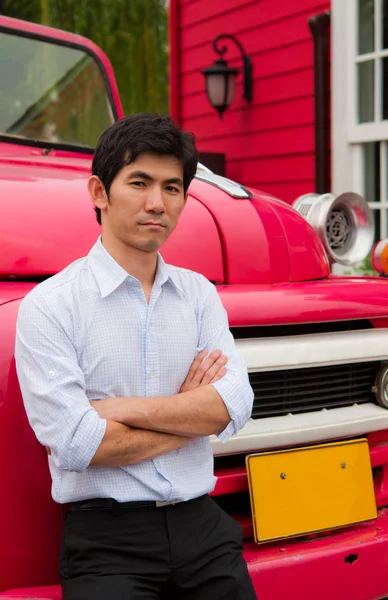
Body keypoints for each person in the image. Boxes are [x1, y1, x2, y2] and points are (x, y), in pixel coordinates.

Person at [15, 113, 257, 600]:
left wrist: (119, 411)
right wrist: (190, 412)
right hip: (107, 542)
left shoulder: (198, 295)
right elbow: (80, 444)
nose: (156, 203)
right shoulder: (50, 304)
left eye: (172, 187)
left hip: (203, 528)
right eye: (139, 182)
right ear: (99, 193)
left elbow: (235, 404)